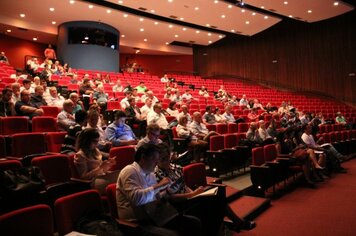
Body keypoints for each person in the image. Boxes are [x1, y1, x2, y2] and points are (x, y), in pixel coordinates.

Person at [116, 143, 202, 236]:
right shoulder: (129, 171)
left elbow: (155, 198)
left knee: (193, 223)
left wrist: (167, 192)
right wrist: (159, 186)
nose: (156, 163)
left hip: (154, 216)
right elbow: (137, 199)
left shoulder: (150, 173)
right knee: (173, 234)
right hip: (136, 223)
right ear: (143, 157)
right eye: (154, 160)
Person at [74, 128, 118, 194]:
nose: (97, 144)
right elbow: (84, 177)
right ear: (87, 141)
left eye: (97, 141)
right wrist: (100, 167)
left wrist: (109, 164)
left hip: (101, 177)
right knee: (119, 181)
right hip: (92, 182)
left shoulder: (96, 151)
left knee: (121, 174)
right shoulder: (80, 155)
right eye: (94, 141)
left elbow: (103, 170)